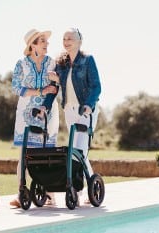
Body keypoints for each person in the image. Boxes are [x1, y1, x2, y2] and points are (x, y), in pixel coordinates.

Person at [9, 29, 59, 208]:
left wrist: (56, 81)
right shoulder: (21, 64)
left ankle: (49, 193)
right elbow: (16, 88)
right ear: (33, 44)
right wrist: (41, 91)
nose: (46, 44)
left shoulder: (52, 63)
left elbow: (55, 88)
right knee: (25, 154)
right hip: (25, 115)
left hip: (47, 115)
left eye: (46, 41)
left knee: (47, 154)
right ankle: (21, 192)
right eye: (42, 41)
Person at [53, 28, 101, 203]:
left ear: (79, 41)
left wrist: (88, 105)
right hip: (69, 110)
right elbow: (56, 88)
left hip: (85, 111)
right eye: (64, 38)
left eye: (70, 38)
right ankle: (88, 183)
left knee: (80, 150)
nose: (66, 41)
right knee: (75, 151)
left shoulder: (88, 60)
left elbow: (96, 86)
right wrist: (44, 106)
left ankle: (77, 190)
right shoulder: (61, 63)